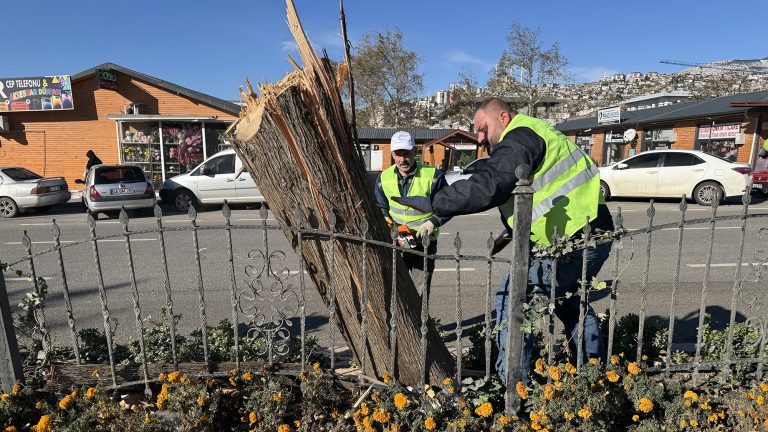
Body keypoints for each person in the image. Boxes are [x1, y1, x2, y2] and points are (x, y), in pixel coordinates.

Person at [394, 98, 614, 385]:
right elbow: (535, 193)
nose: (480, 138)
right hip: (589, 231)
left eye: (483, 128)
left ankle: (514, 387)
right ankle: (592, 375)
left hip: (573, 240)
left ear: (503, 117)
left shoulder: (520, 136)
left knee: (513, 300)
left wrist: (435, 202)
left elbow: (491, 184)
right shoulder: (533, 133)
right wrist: (509, 232)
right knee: (568, 302)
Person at [375, 131, 450, 297]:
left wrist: (433, 222)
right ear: (392, 154)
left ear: (415, 151)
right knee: (396, 290)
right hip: (399, 240)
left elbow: (449, 206)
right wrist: (390, 225)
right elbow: (381, 208)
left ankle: (419, 316)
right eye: (398, 154)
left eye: (406, 153)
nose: (402, 159)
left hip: (424, 242)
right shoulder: (383, 178)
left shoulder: (433, 176)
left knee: (420, 293)